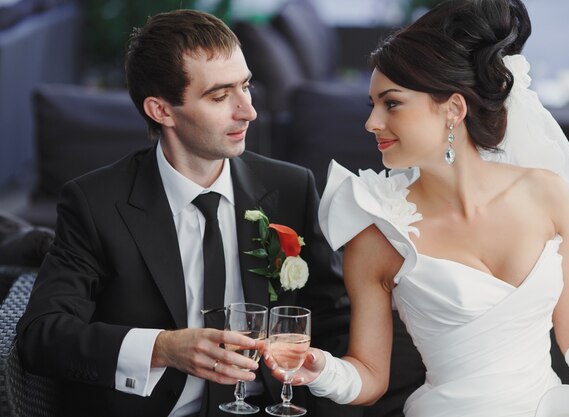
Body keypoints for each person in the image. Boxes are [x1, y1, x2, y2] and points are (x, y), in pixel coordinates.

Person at [265, 1, 569, 416]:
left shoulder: (548, 193)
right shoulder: (377, 232)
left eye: (392, 103)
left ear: (453, 109)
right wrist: (322, 369)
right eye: (372, 105)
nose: (372, 123)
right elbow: (369, 375)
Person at [16, 9, 351, 417]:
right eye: (219, 95)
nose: (248, 111)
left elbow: (335, 322)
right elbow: (42, 336)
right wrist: (164, 348)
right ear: (162, 111)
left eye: (245, 86)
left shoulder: (291, 188)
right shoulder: (95, 203)